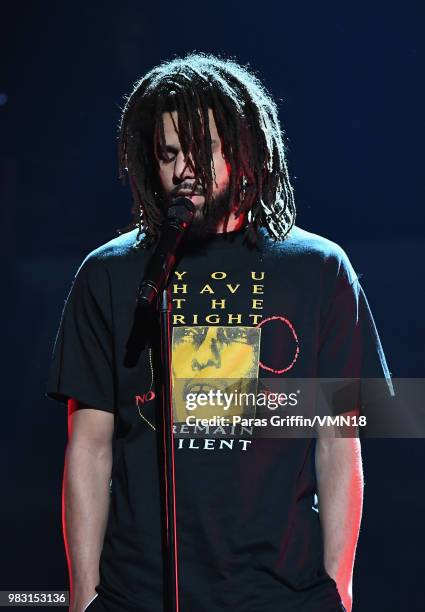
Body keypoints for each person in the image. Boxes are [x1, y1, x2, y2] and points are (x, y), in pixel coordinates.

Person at [47, 52, 394, 612]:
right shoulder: (110, 275)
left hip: (283, 595)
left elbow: (338, 442)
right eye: (168, 153)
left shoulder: (317, 268)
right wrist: (84, 598)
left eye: (201, 146)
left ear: (244, 146)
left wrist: (338, 588)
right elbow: (88, 448)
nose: (184, 167)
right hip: (139, 595)